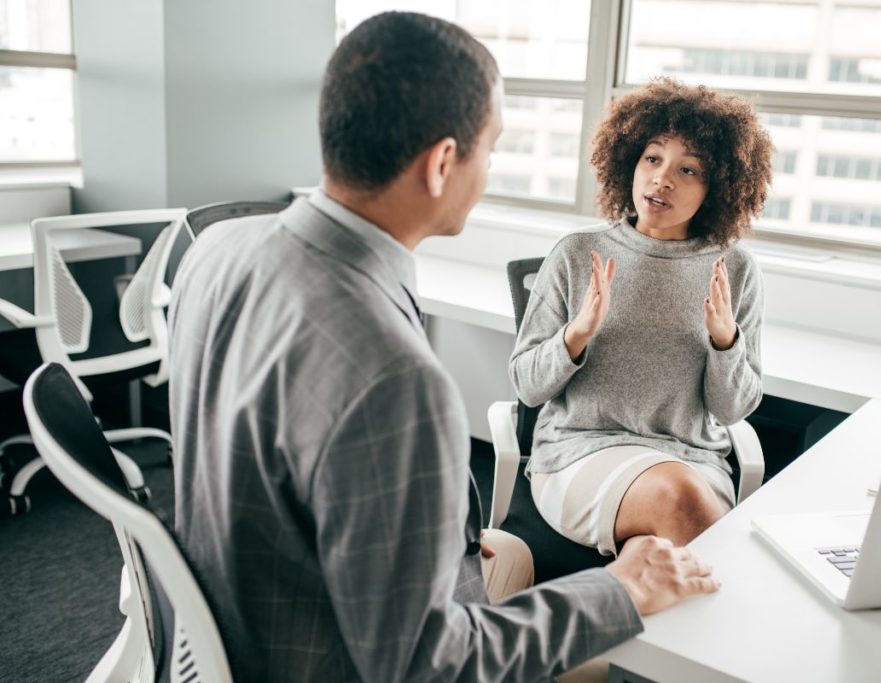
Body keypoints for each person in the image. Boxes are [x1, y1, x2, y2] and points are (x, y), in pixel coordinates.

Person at [169, 14, 718, 682]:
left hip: (243, 631)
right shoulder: (394, 375)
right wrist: (619, 589)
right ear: (441, 164)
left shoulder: (217, 248)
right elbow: (427, 665)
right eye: (490, 148)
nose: (488, 169)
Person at [510, 78, 773, 558]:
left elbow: (733, 410)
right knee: (681, 508)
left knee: (659, 556)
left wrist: (724, 342)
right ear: (628, 160)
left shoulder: (734, 270)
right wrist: (575, 335)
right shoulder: (577, 253)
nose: (662, 179)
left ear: (719, 188)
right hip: (578, 452)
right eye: (652, 158)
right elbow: (527, 386)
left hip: (694, 459)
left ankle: (590, 617)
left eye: (688, 169)